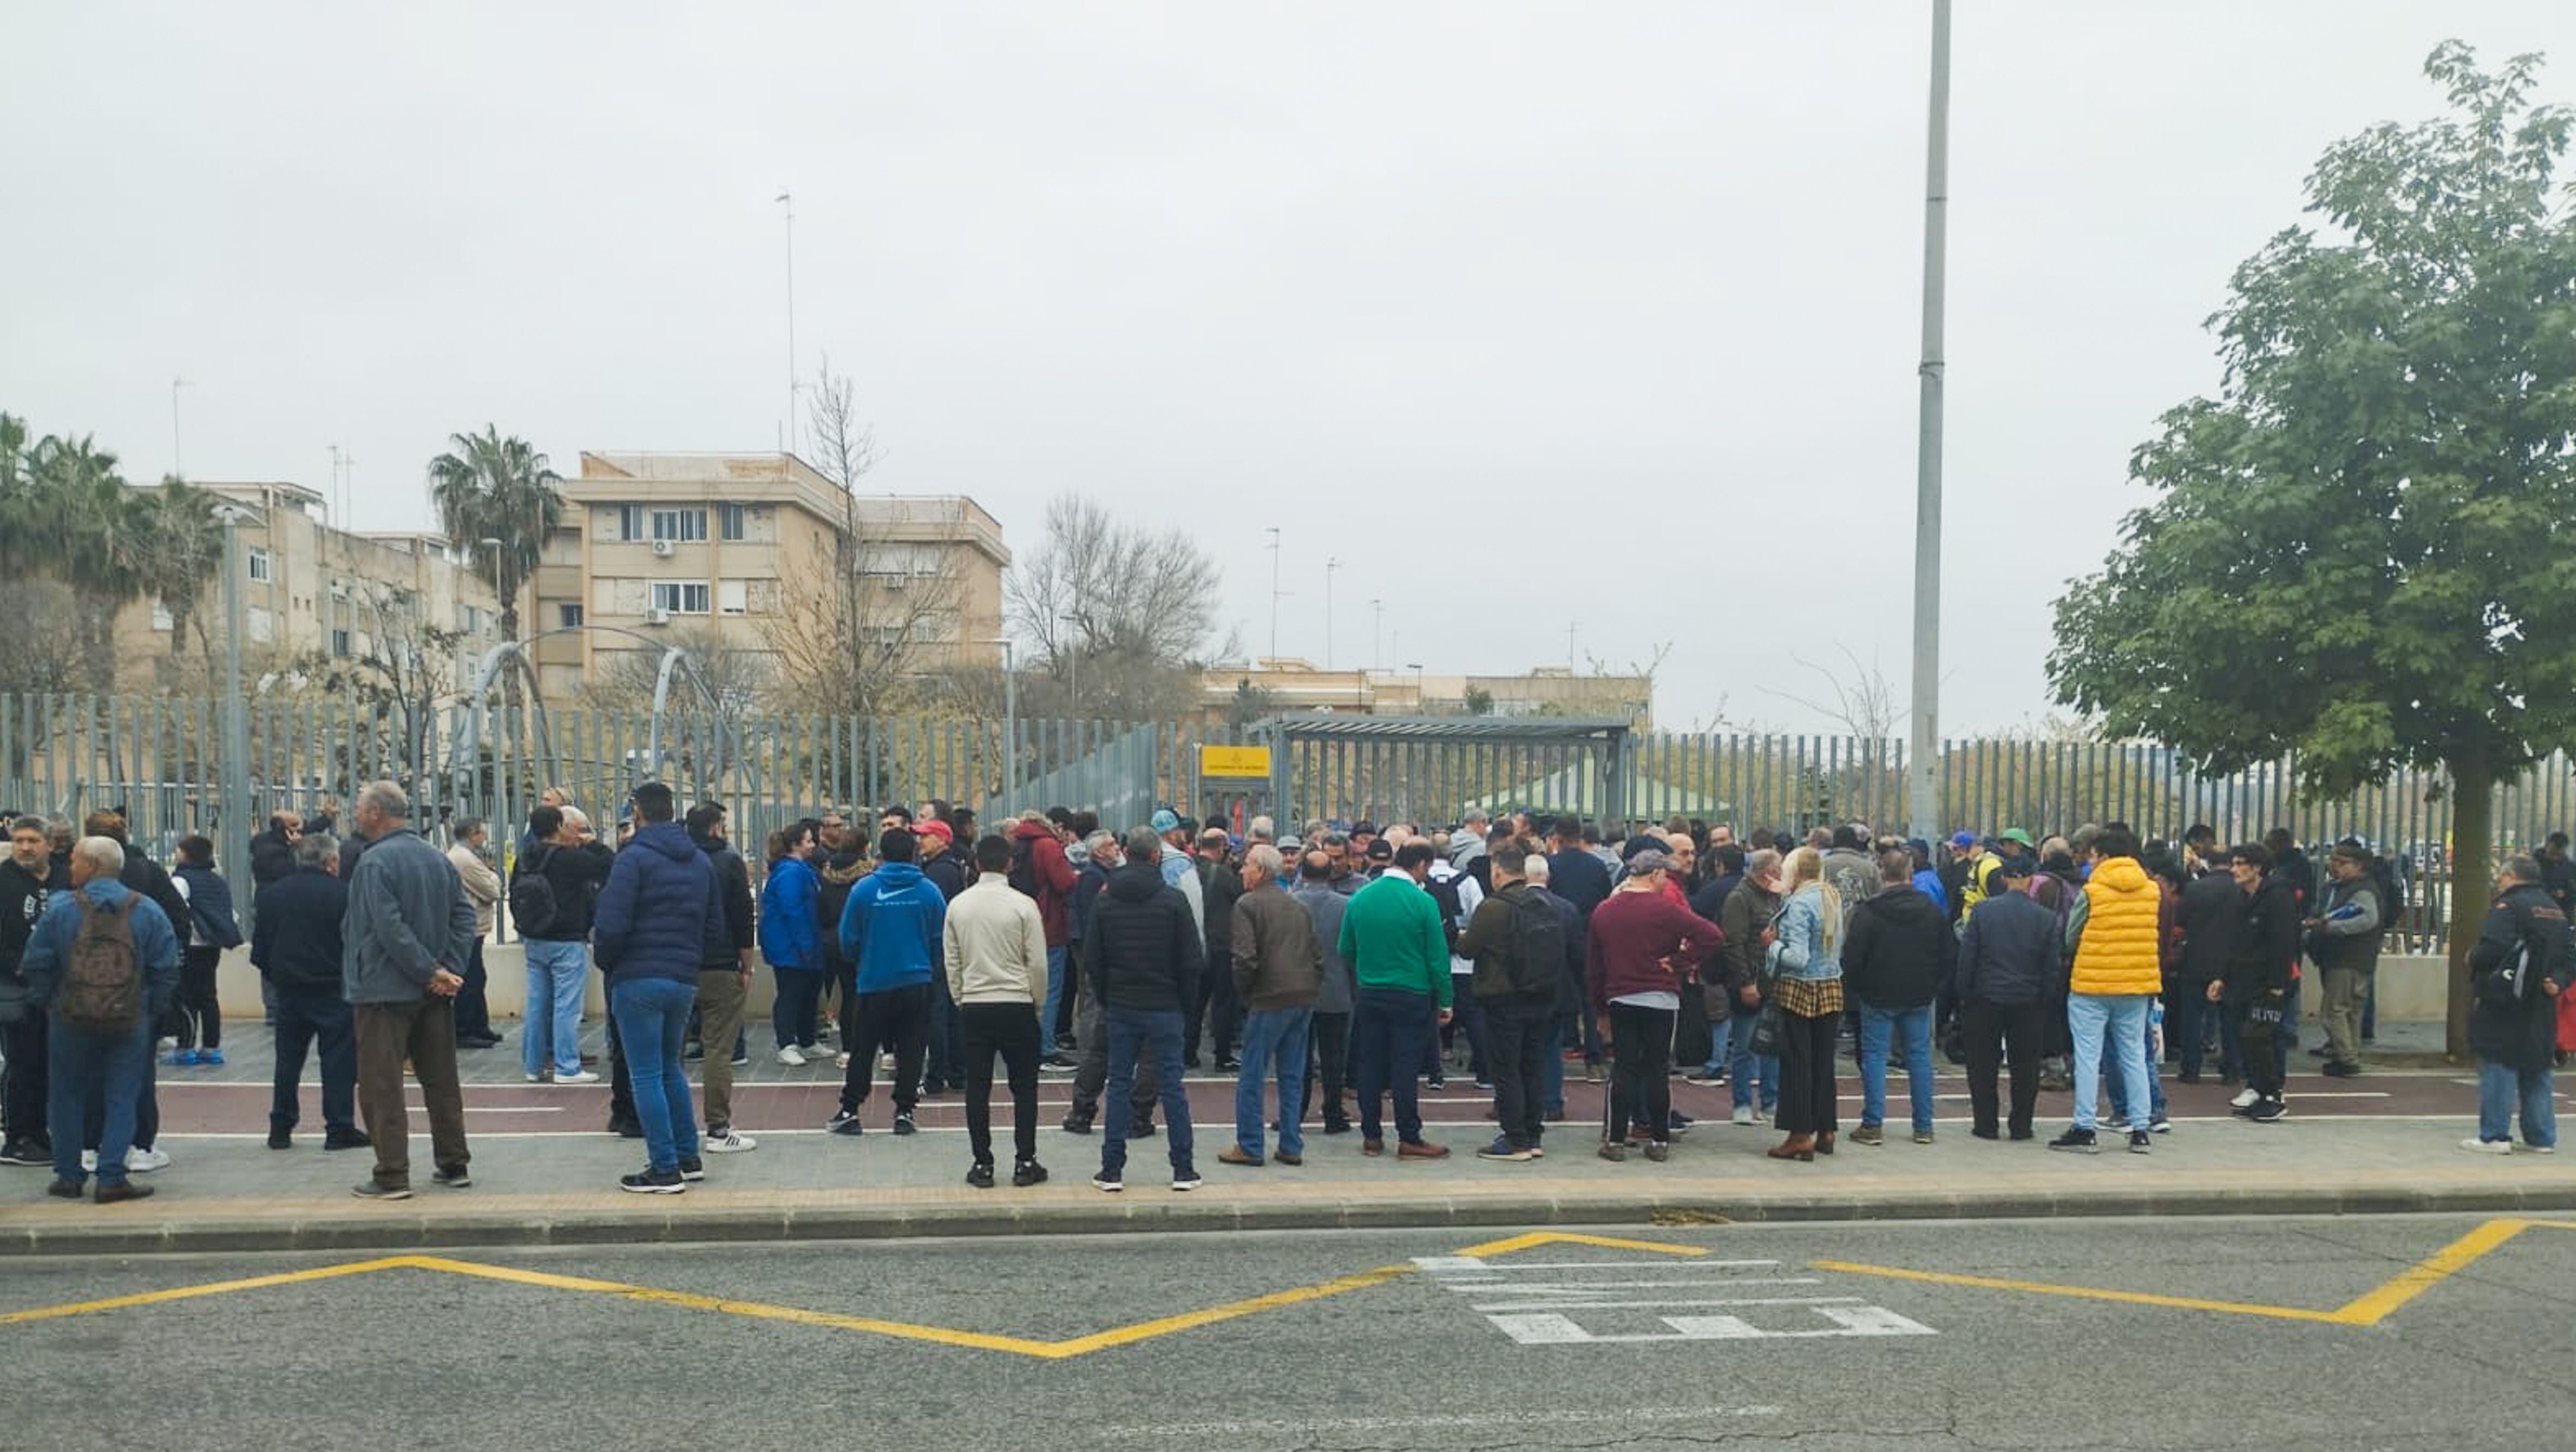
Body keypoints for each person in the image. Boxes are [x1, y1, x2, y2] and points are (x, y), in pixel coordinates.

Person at [19, 836, 179, 1202]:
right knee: (123, 1094)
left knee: (66, 1095)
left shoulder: (61, 909)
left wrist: (47, 1002)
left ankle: (69, 1175)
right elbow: (166, 968)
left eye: (74, 860)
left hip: (70, 1017)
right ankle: (111, 1177)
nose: (69, 866)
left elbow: (36, 962)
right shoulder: (148, 910)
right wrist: (150, 1010)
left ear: (92, 866)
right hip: (129, 1018)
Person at [342, 781, 477, 1201]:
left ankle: (391, 1174)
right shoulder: (436, 859)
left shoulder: (374, 864)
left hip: (384, 990)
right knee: (441, 1079)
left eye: (360, 808)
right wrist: (448, 969)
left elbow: (388, 929)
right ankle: (454, 1162)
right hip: (434, 992)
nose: (355, 815)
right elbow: (464, 917)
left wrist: (428, 970)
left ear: (375, 814)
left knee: (382, 1084)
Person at [591, 782, 724, 1193]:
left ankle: (664, 1167)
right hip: (683, 977)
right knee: (672, 1069)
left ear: (638, 811)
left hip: (638, 976)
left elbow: (610, 925)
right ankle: (688, 1156)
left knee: (644, 1073)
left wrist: (608, 964)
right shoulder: (700, 862)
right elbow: (714, 925)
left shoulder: (634, 859)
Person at [1084, 825, 1204, 1192]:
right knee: (1172, 1086)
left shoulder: (1105, 900)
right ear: (1156, 856)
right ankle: (1183, 1169)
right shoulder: (1172, 901)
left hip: (1121, 1004)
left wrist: (1108, 996)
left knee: (1118, 1083)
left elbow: (1093, 959)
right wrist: (1185, 1004)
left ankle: (1112, 1169)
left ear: (1125, 852)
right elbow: (1190, 960)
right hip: (1165, 1005)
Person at [1584, 848, 1722, 1163]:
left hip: (1621, 996)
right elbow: (1712, 936)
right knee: (1657, 1069)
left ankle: (1616, 1139)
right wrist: (1680, 962)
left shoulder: (1605, 911)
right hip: (1661, 997)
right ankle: (1659, 1140)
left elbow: (1594, 968)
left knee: (1625, 1067)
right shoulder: (1666, 910)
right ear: (1656, 875)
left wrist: (1600, 1011)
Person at [943, 833, 1051, 1188]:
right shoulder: (1024, 905)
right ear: (1010, 864)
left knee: (978, 1086)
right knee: (1025, 1087)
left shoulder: (958, 905)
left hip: (975, 1003)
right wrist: (1037, 1002)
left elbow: (952, 959)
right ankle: (1025, 1161)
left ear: (976, 864)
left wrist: (961, 997)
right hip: (1017, 1002)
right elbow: (1037, 962)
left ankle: (983, 1164)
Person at [2049, 829, 2164, 1155]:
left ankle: (2085, 1127)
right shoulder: (2151, 891)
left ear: (2103, 857)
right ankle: (2140, 1128)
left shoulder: (2093, 891)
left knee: (2088, 1056)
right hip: (2137, 984)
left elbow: (2072, 936)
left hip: (2092, 985)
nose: (2089, 860)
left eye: (2093, 854)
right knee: (2134, 1055)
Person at [250, 832, 368, 1152]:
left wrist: (278, 977)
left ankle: (280, 1126)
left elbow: (259, 950)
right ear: (331, 862)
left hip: (289, 991)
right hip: (334, 989)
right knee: (339, 1062)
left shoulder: (271, 896)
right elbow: (358, 945)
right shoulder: (345, 895)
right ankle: (339, 1127)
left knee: (287, 1061)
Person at [1339, 841, 1453, 1160]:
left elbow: (1345, 947)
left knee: (1370, 1064)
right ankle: (1409, 1136)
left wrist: (1367, 969)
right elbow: (1437, 958)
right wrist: (1445, 1000)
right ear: (1420, 865)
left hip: (1371, 992)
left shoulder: (1361, 899)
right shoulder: (1423, 902)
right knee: (1405, 1067)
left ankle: (1372, 1136)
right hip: (1412, 994)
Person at [830, 828, 946, 1138]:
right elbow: (940, 939)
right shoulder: (930, 891)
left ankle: (850, 1110)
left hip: (873, 981)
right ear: (913, 854)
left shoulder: (864, 890)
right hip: (917, 981)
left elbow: (847, 939)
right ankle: (905, 1111)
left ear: (879, 854)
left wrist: (864, 961)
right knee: (911, 1048)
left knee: (863, 1048)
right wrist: (926, 965)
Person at [1456, 842, 1563, 1162]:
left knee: (1507, 1070)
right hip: (1541, 995)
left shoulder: (1493, 907)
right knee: (1533, 1066)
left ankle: (1514, 1139)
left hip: (1503, 997)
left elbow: (1468, 950)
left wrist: (1461, 937)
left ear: (1498, 871)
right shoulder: (1545, 903)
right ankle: (1533, 1135)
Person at [2463, 854, 2573, 1154]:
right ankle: (2541, 1138)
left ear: (2511, 876)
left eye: (2501, 877)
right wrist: (2557, 980)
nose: (2499, 883)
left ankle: (2494, 1136)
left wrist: (2473, 957)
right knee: (2536, 1066)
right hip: (2542, 999)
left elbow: (2494, 948)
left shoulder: (2508, 906)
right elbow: (2568, 954)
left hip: (2505, 999)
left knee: (2499, 1062)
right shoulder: (2555, 909)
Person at [1220, 844, 1322, 1168]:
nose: (1241, 870)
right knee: (1292, 1074)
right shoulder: (1298, 906)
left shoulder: (1247, 905)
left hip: (1268, 997)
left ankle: (1250, 1144)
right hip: (1303, 995)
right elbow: (1317, 955)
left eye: (1247, 865)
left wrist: (1246, 995)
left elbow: (1245, 959)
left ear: (1261, 871)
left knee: (1252, 1074)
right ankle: (1291, 1143)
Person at [1844, 847, 1955, 1147]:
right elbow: (1947, 953)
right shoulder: (1930, 909)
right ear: (1910, 873)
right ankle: (1923, 1126)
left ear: (1882, 873)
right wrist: (1933, 985)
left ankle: (1873, 1124)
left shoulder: (1869, 910)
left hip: (1877, 994)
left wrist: (1858, 987)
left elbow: (1852, 956)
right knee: (1920, 1057)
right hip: (1919, 994)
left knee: (1876, 1057)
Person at [1952, 857, 2057, 1141]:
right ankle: (2021, 1125)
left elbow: (1967, 959)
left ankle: (1986, 1124)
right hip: (2028, 1000)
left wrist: (1965, 995)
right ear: (2032, 880)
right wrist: (2043, 999)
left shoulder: (1983, 912)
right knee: (2026, 1066)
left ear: (2004, 880)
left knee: (1982, 1064)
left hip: (1986, 997)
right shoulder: (2045, 918)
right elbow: (2051, 968)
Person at [514, 803, 611, 1087]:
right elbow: (609, 866)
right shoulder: (570, 859)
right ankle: (567, 1067)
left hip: (534, 939)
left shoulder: (525, 858)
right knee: (567, 1006)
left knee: (537, 1004)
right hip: (566, 940)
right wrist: (592, 844)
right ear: (559, 826)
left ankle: (533, 1066)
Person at [1762, 847, 1845, 1161]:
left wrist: (1774, 946)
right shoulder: (1830, 895)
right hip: (1830, 985)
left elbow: (1798, 958)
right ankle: (1826, 1129)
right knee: (1824, 1062)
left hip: (1800, 989)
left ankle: (1799, 1134)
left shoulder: (1799, 905)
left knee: (1798, 1062)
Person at [2210, 843, 2300, 1125]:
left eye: (2240, 864)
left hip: (2269, 983)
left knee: (2260, 1036)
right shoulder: (2242, 898)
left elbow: (2284, 944)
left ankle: (2273, 1094)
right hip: (2242, 981)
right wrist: (2222, 977)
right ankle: (2258, 1090)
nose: (2234, 870)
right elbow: (2233, 943)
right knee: (2245, 1037)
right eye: (2233, 864)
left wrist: (2277, 984)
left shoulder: (2278, 898)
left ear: (2257, 868)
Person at [1, 816, 67, 1165]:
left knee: (50, 1062)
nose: (25, 847)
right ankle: (17, 1136)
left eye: (32, 841)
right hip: (17, 987)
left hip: (60, 987)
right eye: (19, 840)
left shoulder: (64, 876)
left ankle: (42, 1129)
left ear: (49, 844)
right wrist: (19, 964)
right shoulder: (4, 880)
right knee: (21, 1061)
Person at [1006, 811, 1080, 1071]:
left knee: (1024, 989)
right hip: (1048, 925)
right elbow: (1064, 882)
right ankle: (1045, 1050)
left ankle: (1023, 1045)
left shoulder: (1017, 843)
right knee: (1050, 990)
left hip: (1019, 925)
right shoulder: (1047, 845)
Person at [1290, 848, 1356, 1135]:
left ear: (1302, 874)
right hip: (1337, 989)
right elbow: (1352, 949)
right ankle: (1333, 1113)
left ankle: (1295, 1112)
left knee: (1297, 1057)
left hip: (1298, 989)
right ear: (1331, 874)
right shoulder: (1346, 905)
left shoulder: (1291, 903)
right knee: (1334, 1058)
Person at [1718, 849, 1785, 1125]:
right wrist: (1746, 983)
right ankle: (1743, 1103)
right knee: (1746, 1045)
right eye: (1779, 869)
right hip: (1751, 981)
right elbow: (1733, 944)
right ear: (1767, 873)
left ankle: (1771, 1101)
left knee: (1773, 1045)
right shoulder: (1740, 898)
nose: (1783, 875)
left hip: (1771, 979)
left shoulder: (1775, 896)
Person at [2308, 842, 2385, 1078]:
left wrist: (2331, 927)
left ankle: (2346, 1058)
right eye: (2334, 861)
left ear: (2358, 866)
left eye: (2342, 863)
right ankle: (2350, 1054)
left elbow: (2367, 920)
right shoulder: (2341, 887)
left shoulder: (2362, 891)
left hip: (2348, 958)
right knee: (2350, 1010)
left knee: (2335, 1009)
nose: (2335, 866)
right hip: (2350, 958)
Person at [167, 835, 242, 1066]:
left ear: (185, 854)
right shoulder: (217, 880)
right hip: (212, 944)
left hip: (191, 943)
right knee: (208, 995)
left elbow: (176, 910)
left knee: (186, 996)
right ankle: (212, 1047)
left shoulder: (181, 880)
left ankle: (185, 1047)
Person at [2172, 849, 2244, 1084]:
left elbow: (2180, 920)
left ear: (2209, 864)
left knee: (2192, 1019)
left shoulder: (2195, 889)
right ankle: (2232, 1068)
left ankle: (2191, 1069)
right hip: (2231, 964)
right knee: (2231, 1018)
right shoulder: (2241, 890)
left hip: (2196, 960)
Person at [760, 824, 824, 1065]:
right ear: (796, 845)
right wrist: (805, 944)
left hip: (803, 945)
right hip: (791, 947)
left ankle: (808, 1041)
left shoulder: (801, 869)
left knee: (809, 993)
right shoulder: (790, 873)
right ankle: (786, 1043)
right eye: (809, 841)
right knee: (791, 994)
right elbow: (793, 911)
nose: (813, 845)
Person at [1191, 827, 1245, 1073]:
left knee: (1195, 1001)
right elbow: (1241, 901)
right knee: (1223, 1002)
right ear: (1222, 847)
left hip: (1195, 944)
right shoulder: (1225, 876)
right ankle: (1223, 1055)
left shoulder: (1189, 870)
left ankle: (1188, 1052)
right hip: (1222, 945)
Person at [444, 819, 503, 1049]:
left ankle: (479, 1026)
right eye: (482, 833)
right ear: (472, 834)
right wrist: (493, 875)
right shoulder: (464, 859)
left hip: (473, 926)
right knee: (471, 978)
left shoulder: (465, 856)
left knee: (477, 977)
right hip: (469, 927)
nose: (485, 837)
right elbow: (493, 889)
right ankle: (465, 1029)